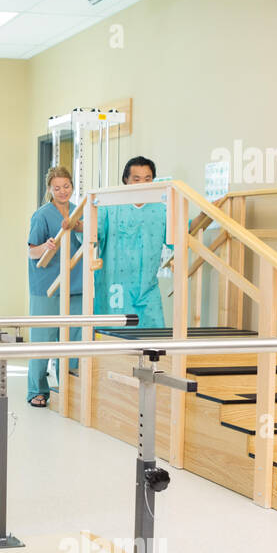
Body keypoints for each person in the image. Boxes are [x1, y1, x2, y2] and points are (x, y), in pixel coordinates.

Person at [27, 165, 82, 407]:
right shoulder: (42, 215)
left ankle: (68, 389)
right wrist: (45, 247)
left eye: (66, 186)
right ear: (49, 189)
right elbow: (31, 252)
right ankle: (37, 390)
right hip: (46, 286)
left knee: (72, 341)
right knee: (44, 341)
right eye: (57, 188)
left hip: (76, 285)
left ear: (72, 186)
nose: (62, 192)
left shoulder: (79, 212)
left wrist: (79, 225)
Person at [94, 156, 170, 329]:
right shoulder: (110, 206)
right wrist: (77, 225)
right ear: (126, 181)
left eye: (147, 179)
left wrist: (207, 215)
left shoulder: (160, 208)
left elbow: (181, 232)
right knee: (116, 341)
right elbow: (92, 232)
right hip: (116, 287)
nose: (142, 183)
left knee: (155, 339)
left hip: (147, 289)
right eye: (136, 179)